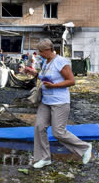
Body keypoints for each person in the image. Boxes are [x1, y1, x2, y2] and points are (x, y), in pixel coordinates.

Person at [24, 39, 92, 169]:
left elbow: (71, 81)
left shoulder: (61, 61)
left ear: (48, 50)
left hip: (60, 102)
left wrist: (54, 86)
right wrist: (35, 74)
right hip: (46, 102)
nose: (39, 53)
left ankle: (84, 148)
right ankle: (44, 158)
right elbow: (46, 78)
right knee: (39, 127)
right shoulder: (46, 62)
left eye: (41, 51)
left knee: (58, 132)